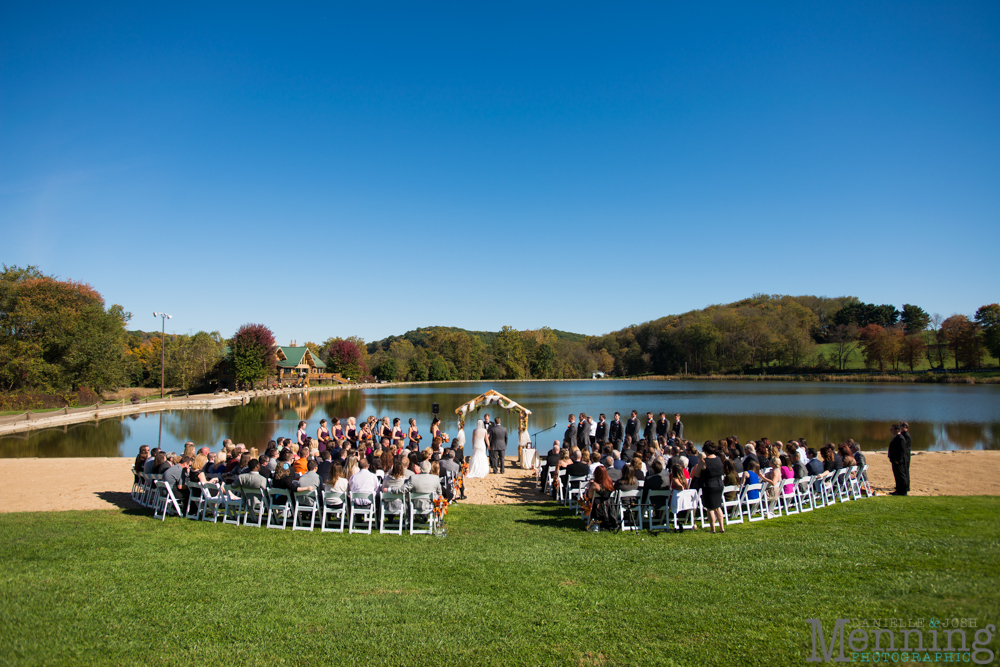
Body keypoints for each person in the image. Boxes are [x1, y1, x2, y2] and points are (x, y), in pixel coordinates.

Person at [692, 442, 725, 533]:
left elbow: (697, 474)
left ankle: (712, 529)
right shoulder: (719, 459)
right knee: (718, 507)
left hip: (709, 485)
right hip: (719, 484)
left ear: (705, 450)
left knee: (710, 508)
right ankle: (722, 527)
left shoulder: (704, 461)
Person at [888, 423, 910, 496]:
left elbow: (902, 450)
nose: (890, 430)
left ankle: (903, 491)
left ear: (897, 430)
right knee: (897, 475)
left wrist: (898, 460)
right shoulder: (896, 437)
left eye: (892, 429)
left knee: (901, 476)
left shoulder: (900, 438)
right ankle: (898, 490)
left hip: (899, 461)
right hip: (894, 460)